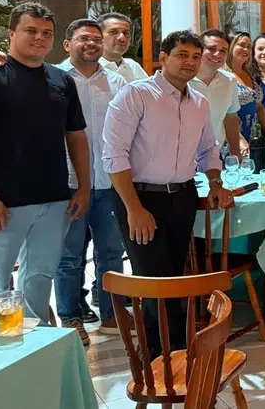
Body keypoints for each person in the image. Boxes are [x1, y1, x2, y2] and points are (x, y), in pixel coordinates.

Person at [102, 30, 227, 357]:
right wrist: (134, 208)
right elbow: (114, 155)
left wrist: (215, 182)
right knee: (154, 279)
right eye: (182, 55)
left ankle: (155, 351)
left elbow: (208, 149)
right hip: (141, 198)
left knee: (173, 275)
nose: (190, 62)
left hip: (182, 197)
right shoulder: (136, 95)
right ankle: (176, 354)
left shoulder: (199, 102)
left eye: (196, 57)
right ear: (163, 58)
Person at [0, 3, 90, 326]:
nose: (39, 38)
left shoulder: (62, 80)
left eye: (46, 33)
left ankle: (34, 344)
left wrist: (84, 186)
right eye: (30, 31)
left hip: (54, 198)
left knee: (39, 276)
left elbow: (76, 136)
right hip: (4, 202)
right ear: (11, 34)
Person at [54, 18, 127, 344]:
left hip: (109, 182)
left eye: (97, 39)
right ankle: (70, 317)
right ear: (68, 44)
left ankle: (113, 314)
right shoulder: (54, 79)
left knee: (111, 253)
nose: (92, 44)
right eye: (84, 38)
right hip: (67, 182)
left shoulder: (116, 81)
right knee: (69, 256)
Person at [190, 29, 242, 160]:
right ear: (200, 50)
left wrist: (236, 153)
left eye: (223, 50)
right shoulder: (182, 81)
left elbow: (231, 118)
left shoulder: (230, 80)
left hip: (214, 157)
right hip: (182, 158)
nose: (217, 54)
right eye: (211, 48)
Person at [228, 31, 265, 145]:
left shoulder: (249, 73)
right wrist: (240, 141)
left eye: (249, 47)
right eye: (241, 45)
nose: (246, 49)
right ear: (230, 46)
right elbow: (222, 115)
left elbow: (259, 108)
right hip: (232, 142)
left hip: (252, 141)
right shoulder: (223, 75)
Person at [97, 12, 149, 82]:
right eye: (113, 32)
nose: (122, 38)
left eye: (126, 33)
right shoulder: (90, 68)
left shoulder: (133, 66)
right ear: (99, 37)